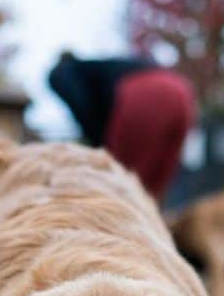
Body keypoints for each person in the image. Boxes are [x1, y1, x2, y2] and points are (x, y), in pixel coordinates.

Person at [48, 51, 196, 202]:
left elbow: (82, 107)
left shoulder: (62, 72)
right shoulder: (102, 69)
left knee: (119, 178)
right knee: (153, 189)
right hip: (181, 90)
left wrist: (99, 143)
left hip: (145, 93)